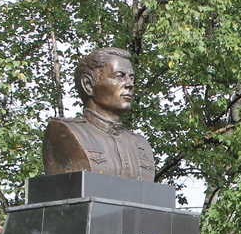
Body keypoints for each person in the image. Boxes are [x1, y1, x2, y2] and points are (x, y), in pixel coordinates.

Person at [43, 47, 156, 181]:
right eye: (119, 76)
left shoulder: (140, 145)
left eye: (131, 78)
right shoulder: (65, 132)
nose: (129, 84)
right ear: (88, 84)